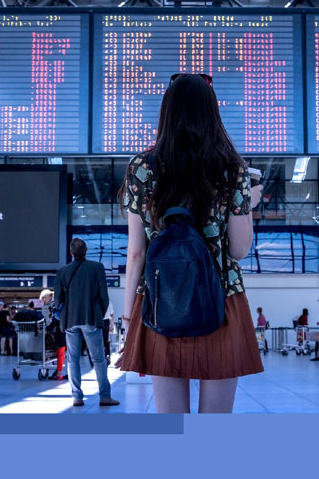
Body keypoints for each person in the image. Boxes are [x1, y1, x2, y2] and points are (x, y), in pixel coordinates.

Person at [116, 73, 264, 414]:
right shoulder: (232, 168)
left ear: (166, 112)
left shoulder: (142, 167)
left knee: (172, 422)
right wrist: (247, 205)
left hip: (159, 301)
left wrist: (128, 316)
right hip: (222, 300)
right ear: (211, 112)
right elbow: (239, 250)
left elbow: (136, 252)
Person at [53, 238, 119, 407]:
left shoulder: (62, 272)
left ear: (71, 252)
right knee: (98, 359)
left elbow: (57, 299)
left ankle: (77, 397)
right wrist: (100, 314)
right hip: (91, 318)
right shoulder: (97, 268)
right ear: (86, 250)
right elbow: (104, 296)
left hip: (70, 321)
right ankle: (104, 396)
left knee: (72, 359)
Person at [39, 289, 65, 380]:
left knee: (60, 349)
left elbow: (57, 317)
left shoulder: (55, 302)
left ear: (47, 296)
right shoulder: (55, 301)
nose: (43, 302)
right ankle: (59, 371)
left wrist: (48, 329)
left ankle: (59, 373)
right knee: (61, 350)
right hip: (63, 327)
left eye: (43, 299)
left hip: (61, 328)